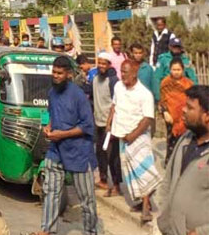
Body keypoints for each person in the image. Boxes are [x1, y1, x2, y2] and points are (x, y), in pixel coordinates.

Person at [38, 55, 97, 235]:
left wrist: (62, 134)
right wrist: (48, 128)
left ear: (69, 74)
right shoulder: (52, 92)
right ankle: (47, 230)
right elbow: (52, 116)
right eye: (54, 72)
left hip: (78, 153)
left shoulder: (78, 96)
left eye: (59, 73)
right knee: (51, 193)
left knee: (87, 199)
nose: (55, 76)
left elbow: (87, 126)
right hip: (56, 151)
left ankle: (91, 231)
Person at [107, 59, 160, 224]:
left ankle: (145, 209)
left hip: (139, 137)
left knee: (144, 172)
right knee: (131, 173)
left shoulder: (144, 94)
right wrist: (109, 123)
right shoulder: (118, 87)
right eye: (121, 71)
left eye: (126, 72)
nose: (123, 75)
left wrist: (133, 135)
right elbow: (114, 106)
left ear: (135, 72)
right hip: (122, 135)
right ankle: (143, 202)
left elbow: (147, 119)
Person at [156, 85, 209, 235]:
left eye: (190, 108)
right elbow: (168, 179)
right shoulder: (185, 139)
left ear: (207, 116)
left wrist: (202, 231)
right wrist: (163, 216)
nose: (183, 110)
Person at [90, 53, 121, 196]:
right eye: (99, 63)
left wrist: (112, 122)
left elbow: (117, 103)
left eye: (104, 64)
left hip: (111, 124)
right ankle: (103, 179)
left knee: (112, 155)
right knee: (100, 153)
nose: (101, 66)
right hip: (98, 122)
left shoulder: (113, 81)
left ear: (109, 65)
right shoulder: (95, 79)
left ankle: (116, 184)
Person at [160, 58, 194, 164]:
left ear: (183, 70)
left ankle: (183, 163)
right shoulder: (165, 83)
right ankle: (170, 163)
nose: (176, 72)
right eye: (174, 69)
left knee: (185, 140)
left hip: (185, 116)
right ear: (170, 70)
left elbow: (192, 100)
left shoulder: (188, 84)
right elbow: (162, 100)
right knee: (171, 141)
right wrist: (165, 112)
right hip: (170, 115)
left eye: (178, 69)